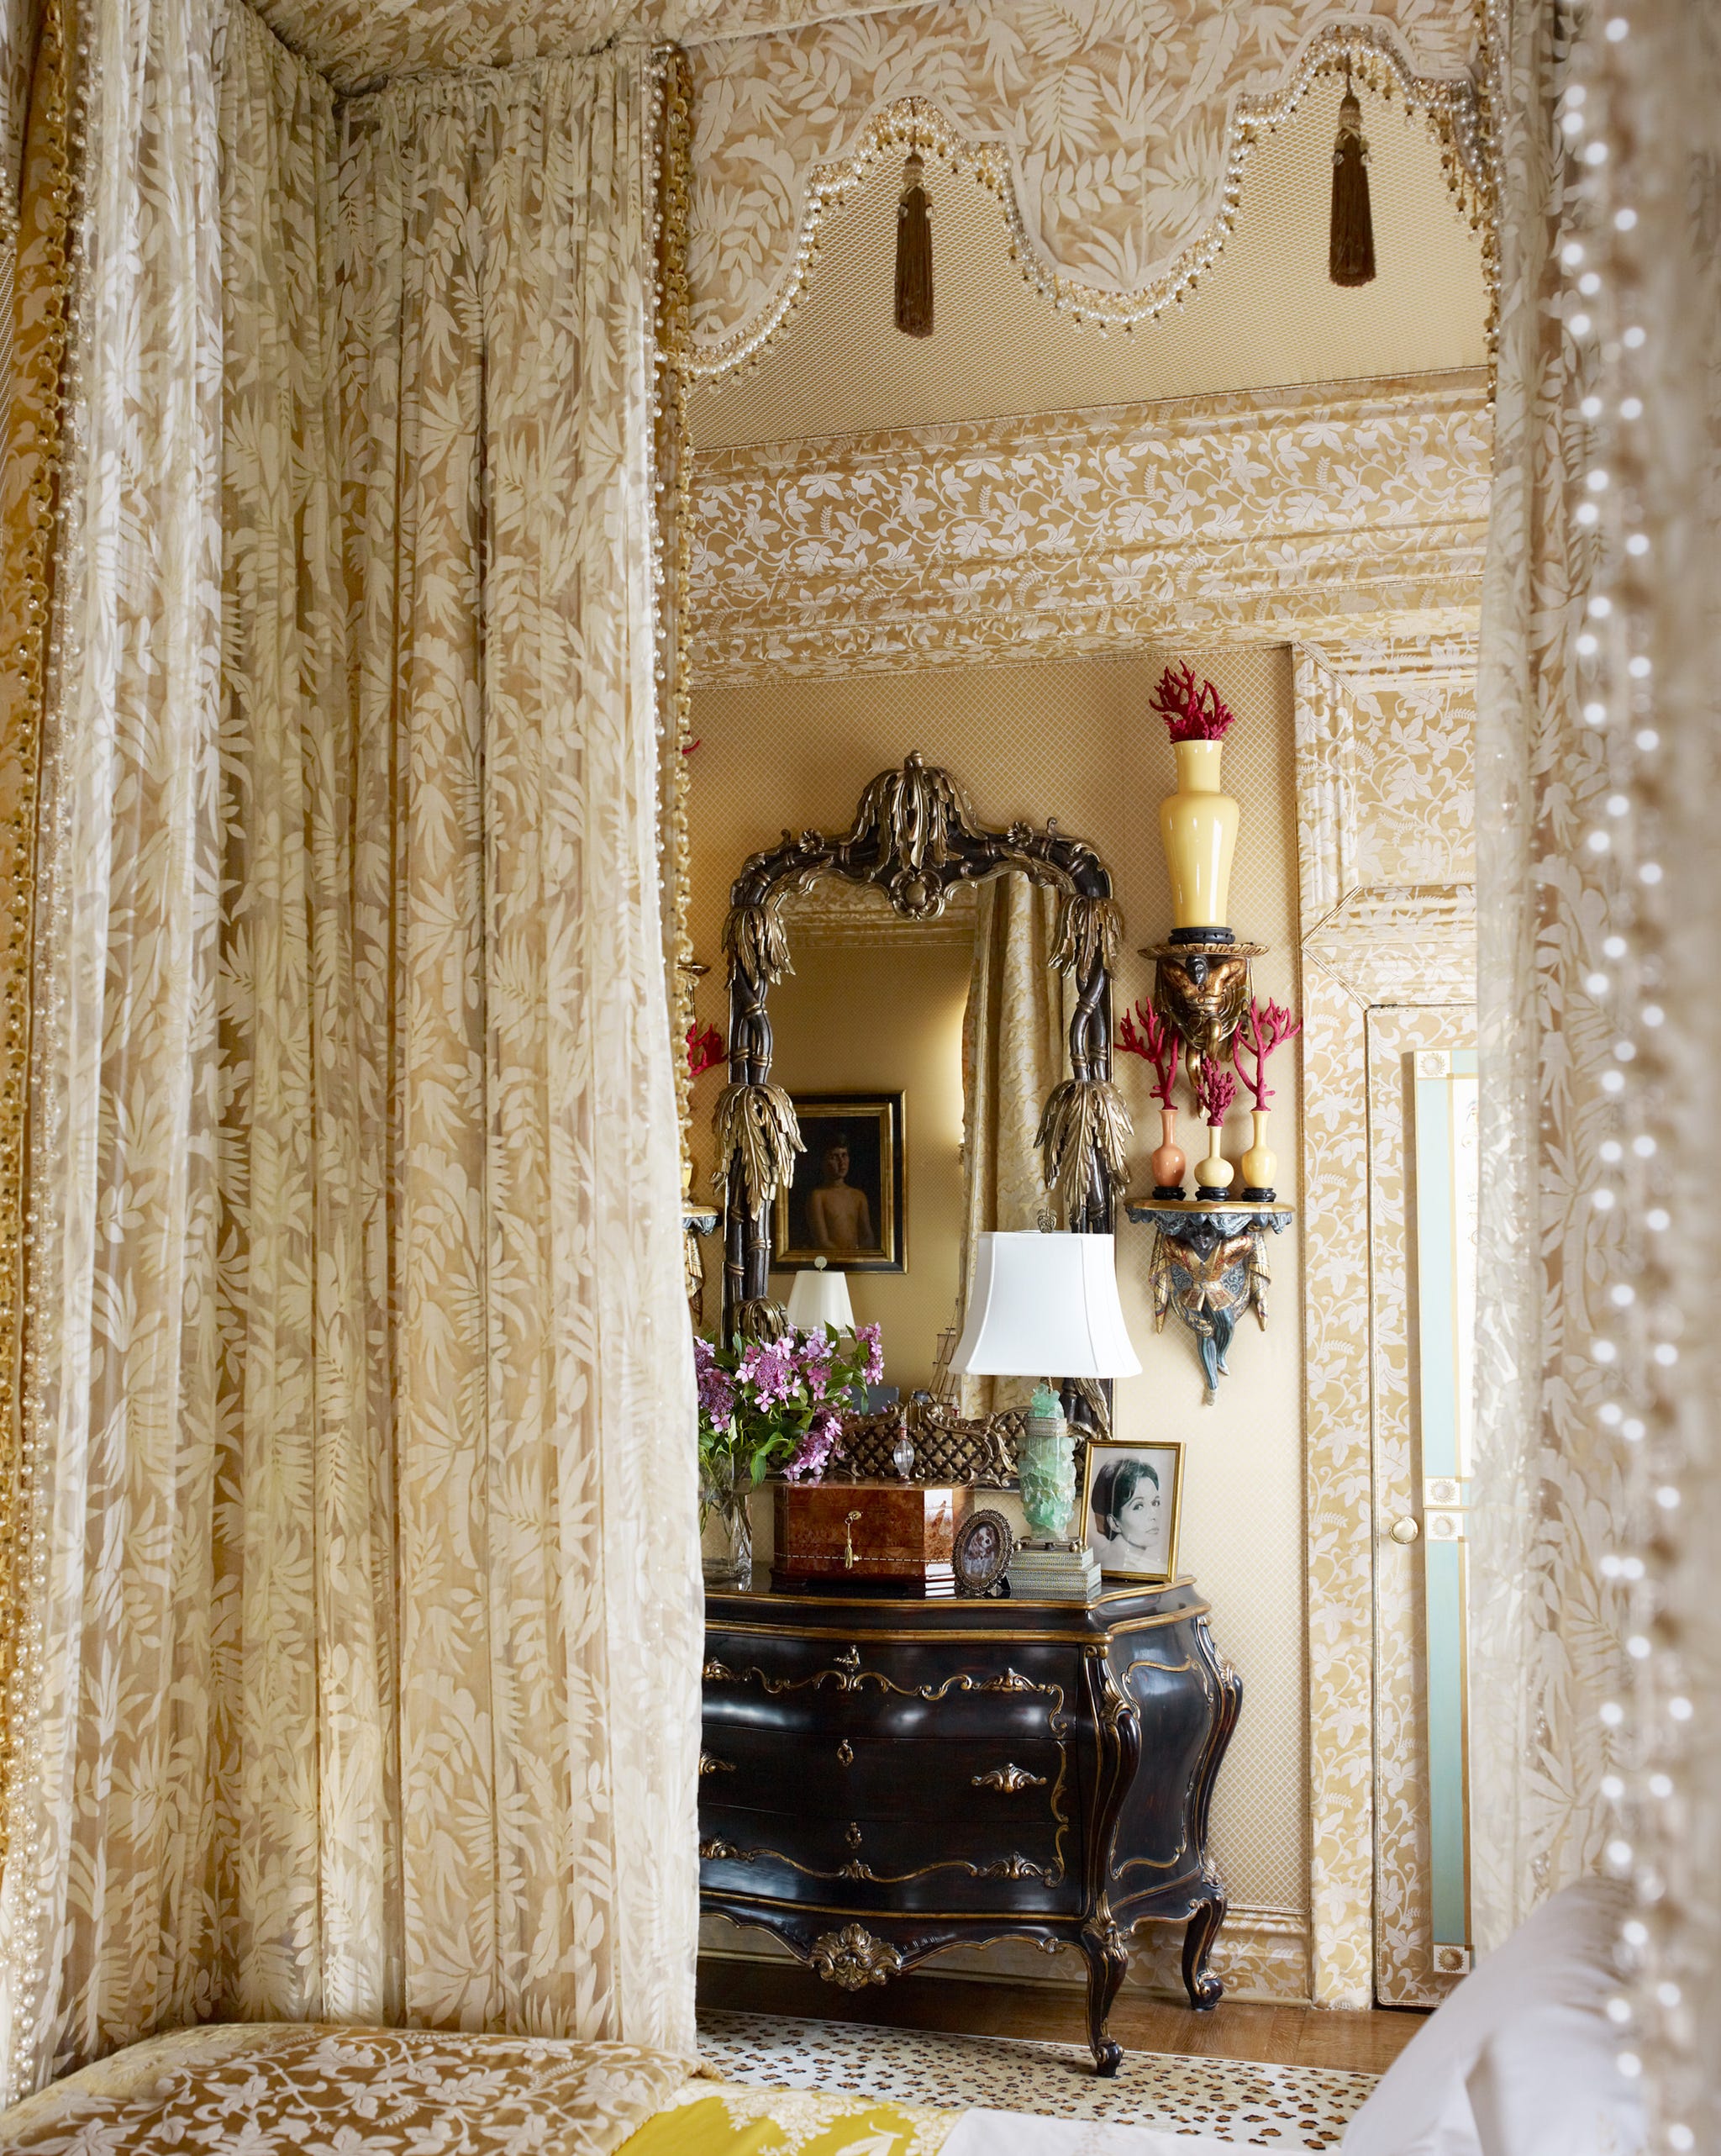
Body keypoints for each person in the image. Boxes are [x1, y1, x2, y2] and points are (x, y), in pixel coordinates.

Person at [1089, 1455, 1166, 1574]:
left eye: (1155, 1503)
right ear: (1114, 1523)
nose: (1153, 1515)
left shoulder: (1135, 1566)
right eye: (1138, 1506)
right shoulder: (1115, 1566)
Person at [805, 1136, 873, 1255]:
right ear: (823, 1162)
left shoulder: (858, 1196)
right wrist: (845, 1257)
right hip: (831, 1263)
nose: (841, 1162)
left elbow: (868, 1237)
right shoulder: (818, 1197)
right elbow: (822, 1241)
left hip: (856, 1262)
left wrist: (857, 1255)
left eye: (844, 1155)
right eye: (834, 1157)